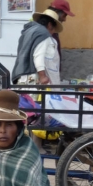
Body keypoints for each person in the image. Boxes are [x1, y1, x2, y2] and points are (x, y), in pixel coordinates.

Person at [12, 9, 63, 153]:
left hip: (23, 78)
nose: (53, 33)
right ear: (49, 25)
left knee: (26, 113)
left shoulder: (29, 32)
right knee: (34, 114)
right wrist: (43, 76)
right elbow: (38, 57)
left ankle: (27, 146)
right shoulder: (44, 35)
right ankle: (34, 147)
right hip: (33, 79)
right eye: (53, 29)